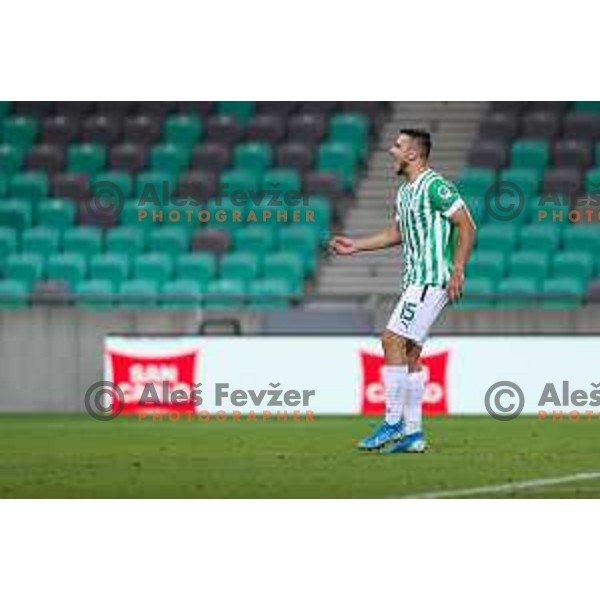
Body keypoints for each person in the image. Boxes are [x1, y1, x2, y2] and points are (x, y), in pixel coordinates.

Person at [330, 129, 476, 453]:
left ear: (413, 154)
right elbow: (397, 232)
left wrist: (458, 268)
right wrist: (356, 246)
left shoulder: (435, 186)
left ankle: (392, 420)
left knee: (391, 339)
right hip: (415, 280)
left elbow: (466, 224)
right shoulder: (405, 193)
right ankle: (413, 434)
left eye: (397, 146)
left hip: (430, 278)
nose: (391, 150)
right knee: (410, 353)